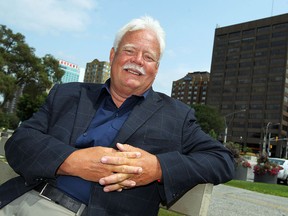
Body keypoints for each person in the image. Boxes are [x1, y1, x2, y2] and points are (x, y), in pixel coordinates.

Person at [0, 16, 234, 216]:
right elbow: (19, 142)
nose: (138, 61)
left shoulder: (177, 116)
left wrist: (157, 167)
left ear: (156, 68)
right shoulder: (67, 94)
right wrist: (70, 162)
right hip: (25, 201)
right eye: (129, 51)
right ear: (113, 56)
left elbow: (222, 161)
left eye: (149, 57)